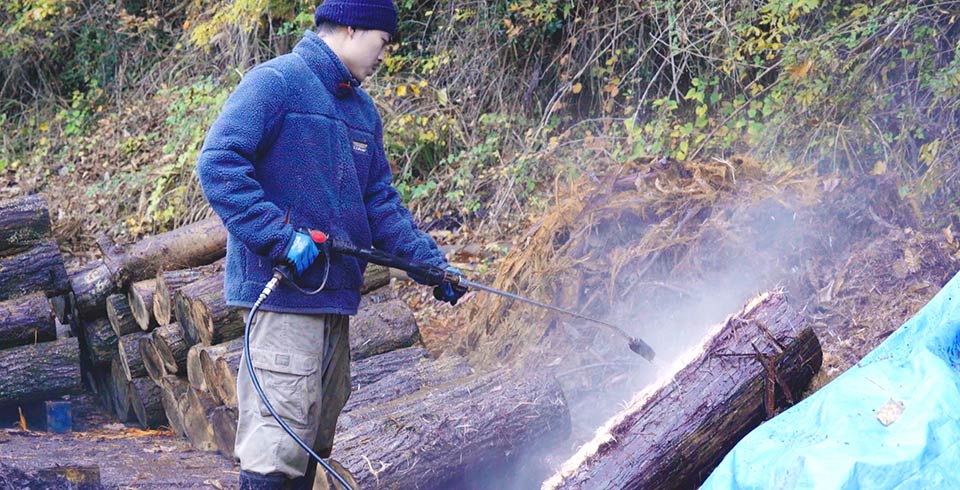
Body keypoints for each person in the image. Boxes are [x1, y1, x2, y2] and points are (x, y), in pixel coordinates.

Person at [195, 1, 465, 488]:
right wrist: (278, 239)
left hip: (335, 305)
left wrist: (429, 264)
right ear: (353, 26)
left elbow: (379, 204)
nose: (386, 53)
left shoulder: (362, 111)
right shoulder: (276, 83)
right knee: (274, 453)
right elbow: (218, 163)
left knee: (311, 451)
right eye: (383, 41)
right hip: (284, 301)